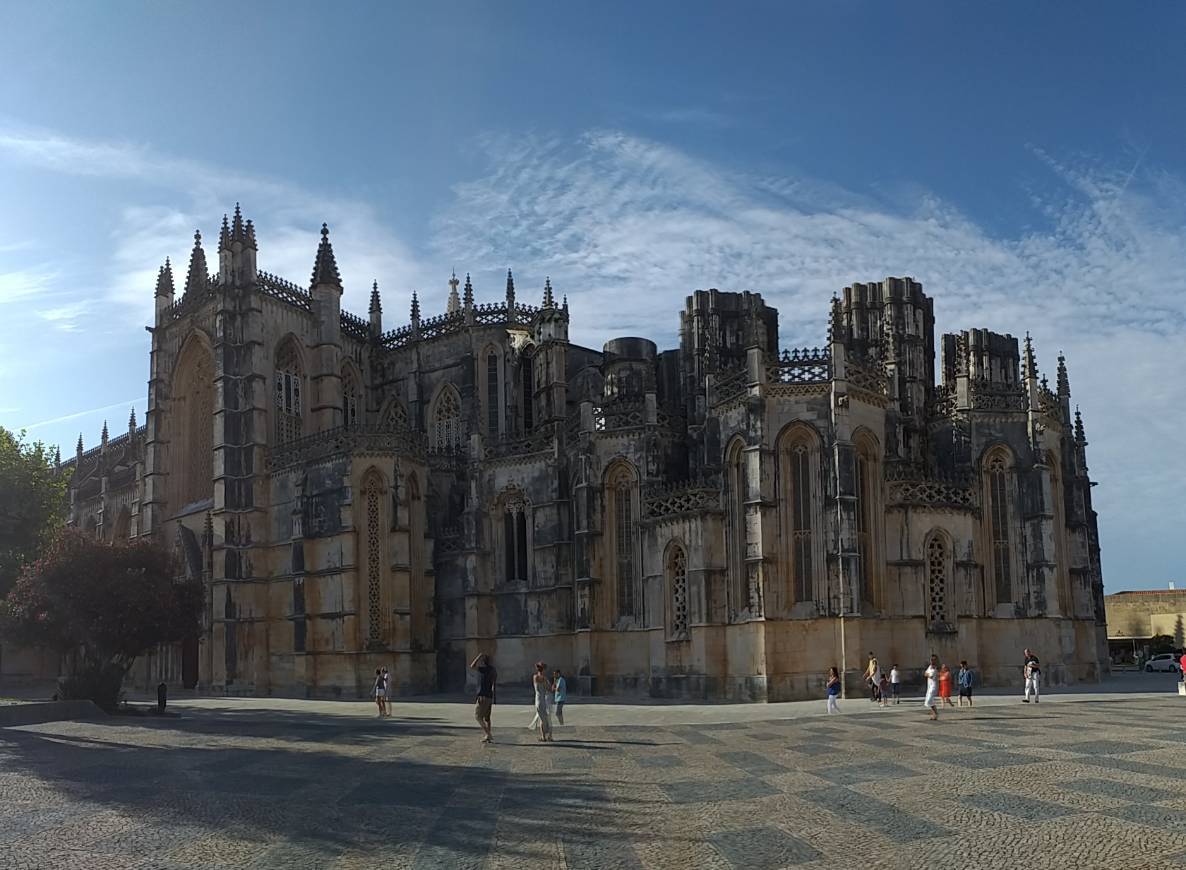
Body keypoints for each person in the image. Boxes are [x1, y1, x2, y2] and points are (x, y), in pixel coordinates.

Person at [470, 653, 497, 743]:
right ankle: (487, 736)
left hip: (482, 696)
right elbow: (494, 684)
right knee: (487, 718)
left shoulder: (483, 670)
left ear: (483, 662)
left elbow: (472, 666)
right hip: (489, 696)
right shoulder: (493, 670)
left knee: (478, 716)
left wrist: (478, 657)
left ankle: (488, 734)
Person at [532, 661, 553, 742]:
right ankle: (546, 735)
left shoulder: (535, 677)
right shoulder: (544, 679)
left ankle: (543, 736)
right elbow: (549, 689)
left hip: (538, 700)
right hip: (543, 700)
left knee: (542, 719)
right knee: (544, 719)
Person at [923, 655, 940, 721]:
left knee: (929, 700)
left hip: (934, 687)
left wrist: (927, 674)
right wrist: (927, 674)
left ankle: (935, 713)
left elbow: (930, 676)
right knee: (929, 701)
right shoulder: (929, 667)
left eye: (934, 660)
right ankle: (934, 715)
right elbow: (925, 673)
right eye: (931, 660)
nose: (932, 661)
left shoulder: (935, 669)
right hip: (929, 686)